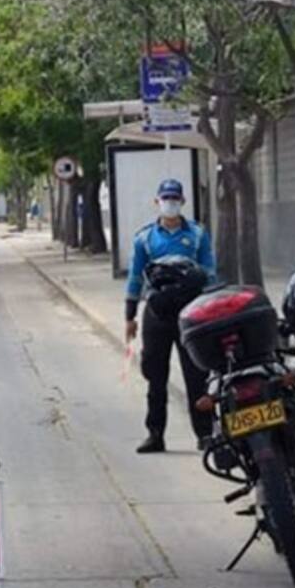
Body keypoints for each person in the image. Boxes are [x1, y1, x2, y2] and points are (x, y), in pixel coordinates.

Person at [124, 178, 216, 454]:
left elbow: (210, 273)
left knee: (196, 375)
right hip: (158, 314)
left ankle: (205, 434)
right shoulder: (144, 238)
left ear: (183, 202)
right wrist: (130, 317)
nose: (170, 203)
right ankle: (155, 434)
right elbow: (134, 279)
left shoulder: (198, 235)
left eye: (175, 198)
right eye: (166, 198)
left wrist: (212, 307)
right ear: (157, 202)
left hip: (192, 312)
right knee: (155, 375)